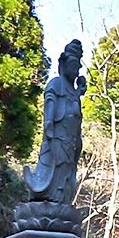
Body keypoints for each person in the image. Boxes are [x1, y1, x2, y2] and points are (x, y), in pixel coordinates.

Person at [24, 39, 87, 204]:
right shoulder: (56, 83)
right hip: (57, 137)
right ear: (63, 64)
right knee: (53, 166)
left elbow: (76, 116)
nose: (75, 70)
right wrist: (48, 124)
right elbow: (50, 103)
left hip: (70, 141)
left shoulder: (73, 92)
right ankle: (46, 199)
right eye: (72, 65)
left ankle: (61, 202)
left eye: (77, 67)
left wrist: (78, 92)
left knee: (66, 172)